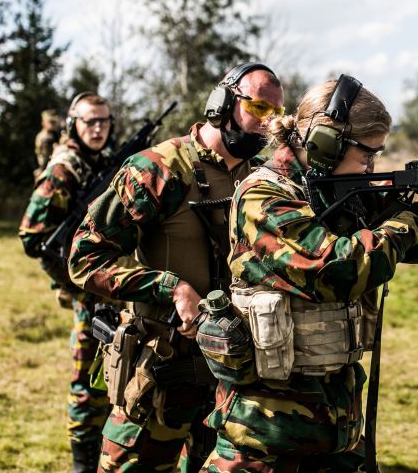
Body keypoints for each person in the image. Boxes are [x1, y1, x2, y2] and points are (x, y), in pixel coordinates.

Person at [195, 75, 418, 472]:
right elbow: (336, 268)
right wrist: (414, 221)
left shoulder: (337, 191)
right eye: (367, 154)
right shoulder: (265, 195)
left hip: (337, 434)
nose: (372, 165)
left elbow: (411, 245)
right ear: (326, 143)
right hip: (265, 441)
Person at [67, 62, 284, 472]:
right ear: (222, 103)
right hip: (161, 368)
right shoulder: (158, 168)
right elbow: (86, 257)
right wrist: (172, 288)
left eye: (276, 113)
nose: (267, 123)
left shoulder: (261, 178)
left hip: (232, 373)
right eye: (258, 108)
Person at [19, 93, 116, 472]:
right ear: (73, 123)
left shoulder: (100, 160)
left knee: (110, 376)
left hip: (107, 287)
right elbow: (32, 236)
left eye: (104, 121)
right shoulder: (64, 168)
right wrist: (74, 281)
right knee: (87, 382)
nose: (97, 128)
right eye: (89, 121)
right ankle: (82, 463)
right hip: (89, 291)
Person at [34, 109, 62, 180]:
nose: (53, 124)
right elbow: (44, 159)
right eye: (51, 122)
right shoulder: (44, 138)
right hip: (47, 169)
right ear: (43, 123)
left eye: (54, 122)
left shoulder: (53, 134)